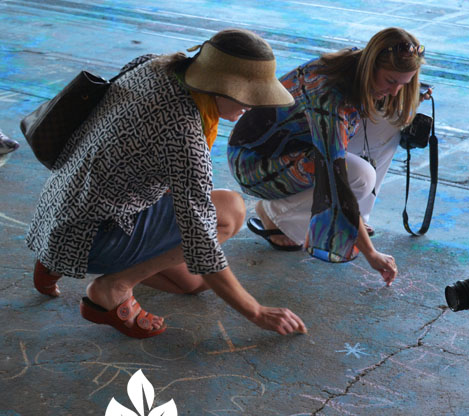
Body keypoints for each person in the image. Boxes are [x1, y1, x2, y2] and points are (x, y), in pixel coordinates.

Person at [26, 29, 307, 338]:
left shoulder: (153, 65)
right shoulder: (184, 134)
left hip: (59, 209)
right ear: (218, 86)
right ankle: (112, 288)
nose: (253, 106)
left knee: (192, 282)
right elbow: (201, 242)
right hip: (93, 234)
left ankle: (54, 260)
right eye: (248, 95)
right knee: (230, 210)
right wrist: (256, 311)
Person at [227, 27, 428, 286]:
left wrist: (410, 96)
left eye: (405, 83)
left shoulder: (356, 64)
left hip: (295, 146)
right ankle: (275, 215)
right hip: (254, 164)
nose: (395, 91)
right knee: (360, 176)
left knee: (391, 120)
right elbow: (335, 179)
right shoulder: (330, 96)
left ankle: (358, 218)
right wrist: (371, 253)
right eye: (391, 81)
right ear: (371, 66)